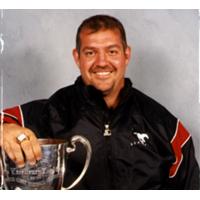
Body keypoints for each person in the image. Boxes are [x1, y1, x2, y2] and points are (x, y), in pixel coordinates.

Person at [0, 14, 199, 189]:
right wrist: (5, 130)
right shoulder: (51, 112)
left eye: (112, 51)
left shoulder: (166, 127)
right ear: (77, 57)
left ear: (126, 55)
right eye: (90, 53)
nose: (102, 62)